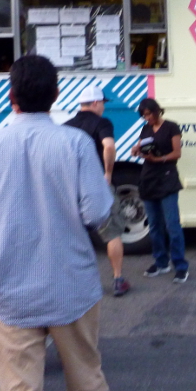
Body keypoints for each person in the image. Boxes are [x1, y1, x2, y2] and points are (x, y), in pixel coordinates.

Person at [0, 55, 113, 391]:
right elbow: (98, 213)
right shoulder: (75, 144)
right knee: (87, 379)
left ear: (10, 95)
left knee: (19, 390)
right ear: (56, 95)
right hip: (72, 283)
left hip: (9, 286)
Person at [64, 86, 131, 297]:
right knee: (111, 232)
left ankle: (75, 284)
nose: (103, 107)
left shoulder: (66, 126)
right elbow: (109, 146)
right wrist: (108, 173)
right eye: (102, 102)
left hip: (70, 187)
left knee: (73, 235)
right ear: (95, 103)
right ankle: (118, 279)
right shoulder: (102, 123)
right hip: (96, 185)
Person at [132, 98, 188, 283]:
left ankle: (180, 265)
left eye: (149, 114)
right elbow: (141, 145)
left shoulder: (172, 127)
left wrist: (160, 158)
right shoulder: (146, 129)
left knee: (172, 224)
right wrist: (136, 150)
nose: (147, 118)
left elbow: (177, 153)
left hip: (166, 177)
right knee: (154, 225)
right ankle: (161, 262)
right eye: (144, 115)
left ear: (157, 111)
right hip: (149, 179)